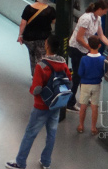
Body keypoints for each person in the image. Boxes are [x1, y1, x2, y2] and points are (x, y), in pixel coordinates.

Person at [6, 35, 70, 169]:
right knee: (51, 134)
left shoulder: (41, 66)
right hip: (56, 104)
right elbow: (69, 81)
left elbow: (36, 89)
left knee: (30, 133)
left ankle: (20, 162)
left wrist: (34, 90)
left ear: (47, 46)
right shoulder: (63, 64)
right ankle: (46, 162)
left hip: (41, 106)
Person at [66, 0, 108, 112]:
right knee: (77, 76)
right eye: (105, 11)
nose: (105, 13)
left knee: (84, 74)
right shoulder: (86, 18)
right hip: (77, 48)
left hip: (86, 48)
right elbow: (79, 38)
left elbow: (101, 36)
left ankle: (84, 98)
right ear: (99, 9)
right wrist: (91, 49)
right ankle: (70, 102)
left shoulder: (98, 19)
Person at [17, 0, 56, 76]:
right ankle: (40, 77)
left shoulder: (28, 8)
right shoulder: (50, 10)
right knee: (41, 57)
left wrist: (20, 35)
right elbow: (53, 21)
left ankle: (34, 75)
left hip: (29, 38)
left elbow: (23, 23)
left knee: (32, 55)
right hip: (43, 38)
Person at [77, 36, 106, 135]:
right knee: (94, 107)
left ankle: (81, 126)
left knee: (83, 106)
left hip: (85, 84)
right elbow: (103, 72)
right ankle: (93, 127)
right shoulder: (103, 59)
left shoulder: (84, 59)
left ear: (88, 45)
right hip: (96, 84)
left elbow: (80, 72)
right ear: (99, 45)